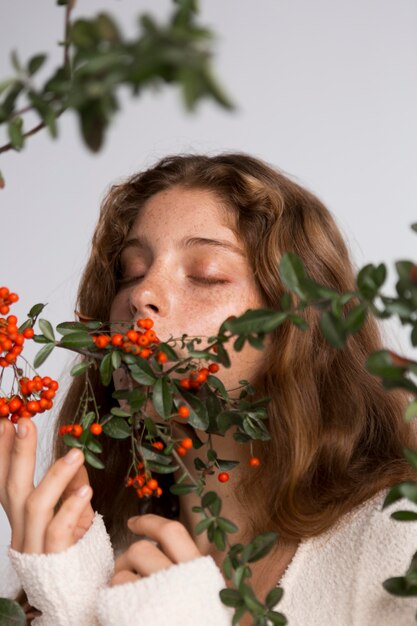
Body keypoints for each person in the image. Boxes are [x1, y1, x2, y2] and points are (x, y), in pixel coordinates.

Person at [1, 152, 417, 626]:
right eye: (131, 272)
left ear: (294, 325)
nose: (141, 294)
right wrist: (69, 604)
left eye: (206, 275)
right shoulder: (93, 559)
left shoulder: (398, 537)